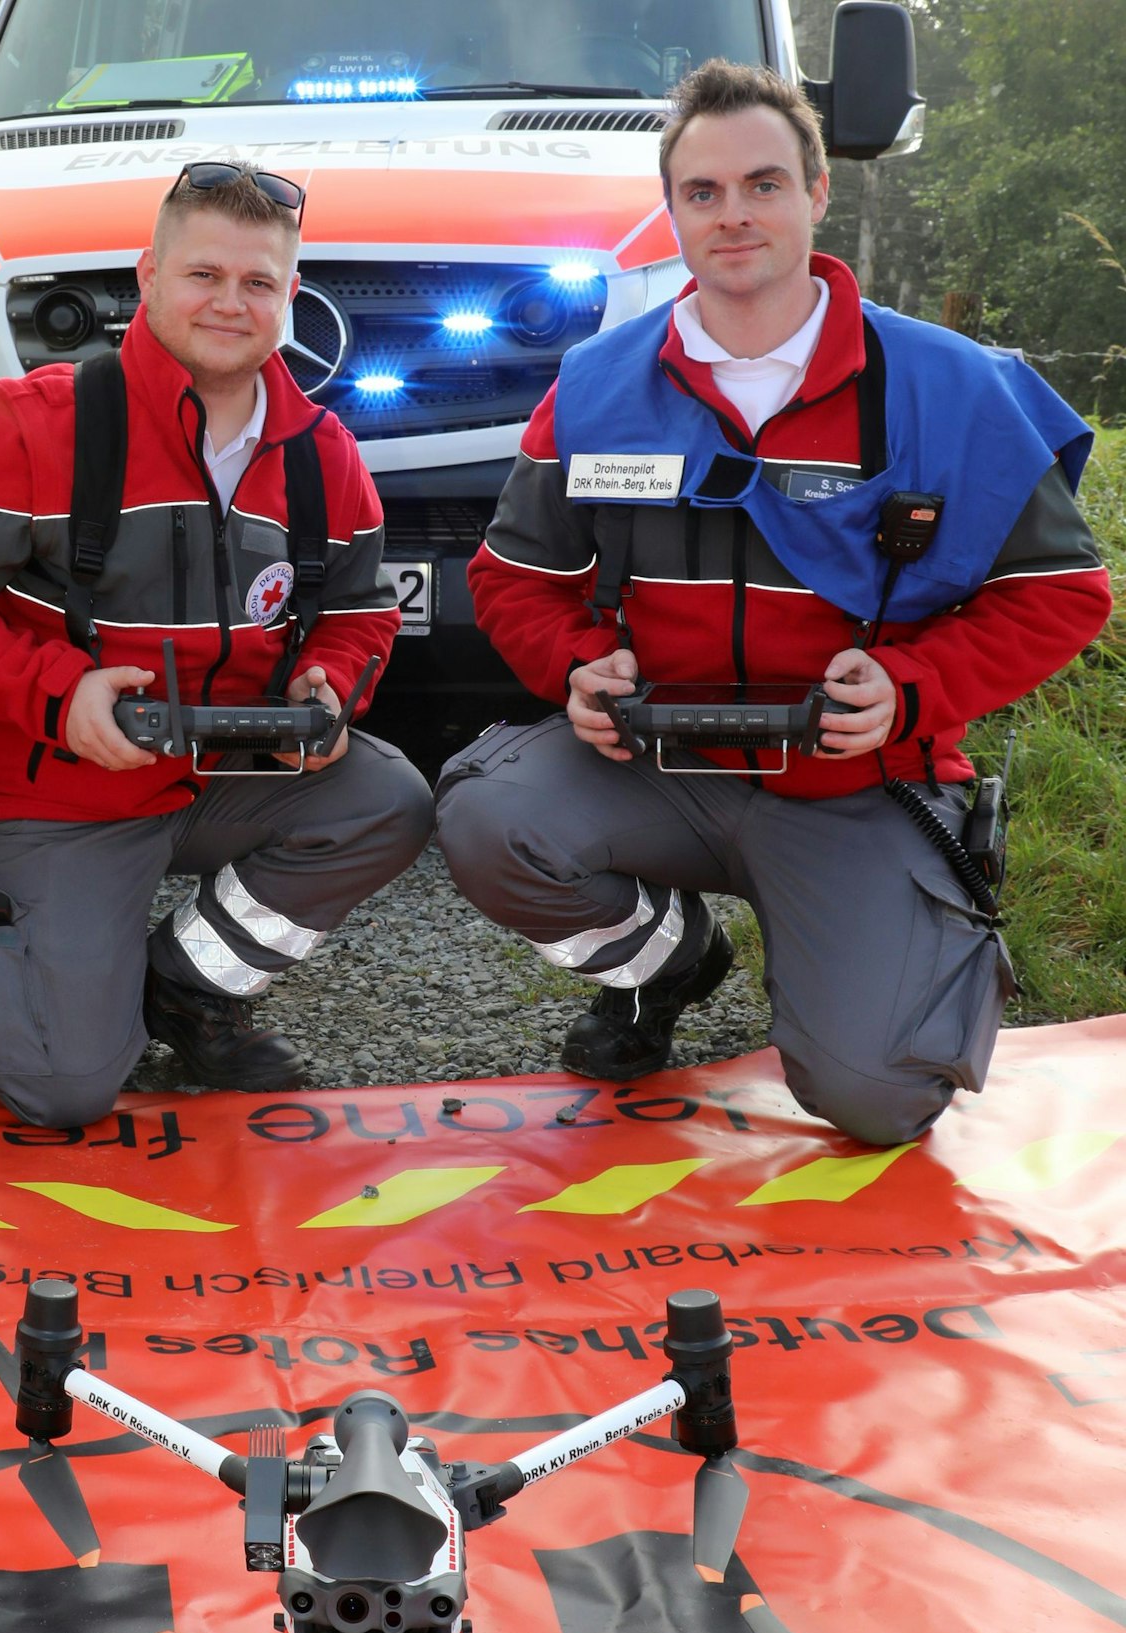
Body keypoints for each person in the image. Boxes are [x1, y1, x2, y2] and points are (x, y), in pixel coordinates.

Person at [436, 60, 1112, 1146]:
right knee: (487, 820)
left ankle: (892, 943)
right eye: (700, 193)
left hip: (853, 783)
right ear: (670, 213)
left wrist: (910, 686)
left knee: (877, 1099)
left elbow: (1058, 594)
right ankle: (670, 962)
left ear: (815, 195)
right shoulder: (599, 385)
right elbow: (513, 580)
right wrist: (572, 665)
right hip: (654, 764)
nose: (731, 215)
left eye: (760, 184)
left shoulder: (949, 385)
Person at [0, 162, 432, 1129]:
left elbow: (363, 609)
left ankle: (186, 987)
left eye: (258, 283)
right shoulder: (30, 424)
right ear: (148, 276)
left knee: (388, 801)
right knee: (63, 1084)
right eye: (204, 275)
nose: (230, 302)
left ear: (290, 299)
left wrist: (331, 683)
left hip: (229, 771)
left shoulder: (322, 452)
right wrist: (58, 694)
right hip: (58, 783)